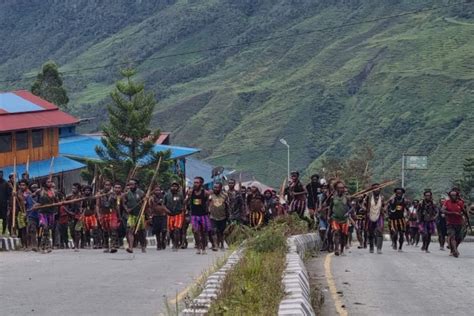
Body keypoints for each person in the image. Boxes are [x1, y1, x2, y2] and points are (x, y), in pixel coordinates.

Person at [186, 176, 211, 255]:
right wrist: (187, 199)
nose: (195, 184)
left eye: (197, 182)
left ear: (201, 183)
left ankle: (203, 248)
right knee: (196, 231)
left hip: (203, 215)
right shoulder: (191, 192)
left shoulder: (205, 193)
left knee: (203, 232)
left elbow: (209, 202)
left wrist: (208, 209)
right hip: (194, 215)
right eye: (194, 182)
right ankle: (198, 247)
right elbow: (186, 201)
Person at [123, 179, 146, 253]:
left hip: (140, 215)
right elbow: (124, 203)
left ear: (136, 185)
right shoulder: (126, 194)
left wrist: (145, 201)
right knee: (130, 231)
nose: (131, 186)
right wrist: (127, 209)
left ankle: (143, 246)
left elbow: (145, 204)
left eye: (132, 184)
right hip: (131, 215)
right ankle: (131, 247)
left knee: (141, 232)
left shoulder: (141, 193)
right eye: (129, 184)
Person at [97, 180, 120, 253]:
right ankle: (106, 245)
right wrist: (98, 215)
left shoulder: (114, 193)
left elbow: (117, 204)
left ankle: (113, 246)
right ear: (104, 185)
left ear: (111, 186)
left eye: (109, 185)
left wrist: (118, 214)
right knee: (105, 230)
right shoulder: (100, 193)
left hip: (112, 213)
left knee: (113, 229)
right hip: (103, 213)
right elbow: (97, 205)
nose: (107, 186)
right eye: (106, 185)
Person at [37, 179, 59, 253]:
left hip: (51, 212)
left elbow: (57, 201)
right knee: (45, 227)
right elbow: (31, 196)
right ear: (44, 183)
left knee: (48, 229)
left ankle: (45, 245)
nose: (50, 183)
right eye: (48, 182)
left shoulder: (53, 192)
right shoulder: (40, 191)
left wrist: (58, 202)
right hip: (42, 213)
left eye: (50, 182)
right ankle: (44, 246)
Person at [329, 181, 350, 256]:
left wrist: (349, 212)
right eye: (340, 188)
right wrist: (329, 216)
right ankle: (336, 249)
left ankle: (342, 250)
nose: (341, 189)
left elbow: (351, 207)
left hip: (344, 219)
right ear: (336, 189)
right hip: (335, 218)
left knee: (344, 235)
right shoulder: (332, 197)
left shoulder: (347, 198)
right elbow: (330, 208)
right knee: (336, 232)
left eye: (342, 188)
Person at [442, 190, 464, 258]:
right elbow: (442, 210)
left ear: (457, 196)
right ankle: (455, 250)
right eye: (452, 195)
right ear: (450, 196)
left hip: (459, 223)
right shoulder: (447, 202)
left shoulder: (460, 203)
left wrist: (463, 214)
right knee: (452, 236)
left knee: (459, 238)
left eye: (454, 195)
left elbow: (464, 211)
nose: (453, 196)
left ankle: (454, 249)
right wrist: (453, 213)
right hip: (450, 223)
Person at [164, 182, 185, 251]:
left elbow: (183, 203)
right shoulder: (167, 195)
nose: (174, 187)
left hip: (178, 215)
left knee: (177, 230)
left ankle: (176, 245)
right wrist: (166, 210)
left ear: (178, 188)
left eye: (175, 186)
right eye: (172, 186)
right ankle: (173, 242)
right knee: (171, 231)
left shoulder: (180, 195)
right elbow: (163, 205)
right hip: (170, 215)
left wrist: (182, 209)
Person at [364, 183, 385, 254]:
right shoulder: (368, 197)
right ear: (372, 190)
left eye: (378, 188)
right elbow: (364, 205)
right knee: (371, 233)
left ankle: (379, 248)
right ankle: (371, 247)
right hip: (370, 216)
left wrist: (383, 210)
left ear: (380, 189)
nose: (376, 190)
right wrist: (366, 211)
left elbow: (383, 206)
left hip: (379, 216)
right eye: (374, 188)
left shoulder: (382, 198)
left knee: (379, 231)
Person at [387, 188, 409, 252]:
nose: (399, 194)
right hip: (393, 219)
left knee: (402, 234)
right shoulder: (392, 200)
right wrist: (388, 215)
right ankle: (394, 243)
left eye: (400, 193)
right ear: (395, 193)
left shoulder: (404, 201)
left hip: (401, 219)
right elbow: (388, 208)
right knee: (395, 233)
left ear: (402, 194)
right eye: (397, 193)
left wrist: (408, 217)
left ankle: (400, 247)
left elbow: (407, 210)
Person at [208, 182, 228, 251]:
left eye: (217, 187)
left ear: (220, 188)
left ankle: (222, 245)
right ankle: (215, 245)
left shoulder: (225, 195)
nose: (215, 189)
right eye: (214, 187)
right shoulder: (210, 195)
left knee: (221, 232)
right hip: (213, 216)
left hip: (222, 217)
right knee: (214, 230)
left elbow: (228, 205)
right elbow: (207, 204)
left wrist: (228, 215)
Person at [150, 186, 168, 250]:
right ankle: (158, 243)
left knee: (164, 230)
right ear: (154, 191)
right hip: (155, 216)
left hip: (163, 215)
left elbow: (165, 205)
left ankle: (163, 240)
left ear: (160, 191)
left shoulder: (164, 197)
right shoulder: (152, 198)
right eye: (156, 190)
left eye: (158, 190)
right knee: (157, 231)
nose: (157, 191)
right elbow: (151, 206)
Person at [16, 179, 33, 249]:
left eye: (23, 185)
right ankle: (24, 245)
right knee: (22, 229)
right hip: (20, 213)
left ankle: (29, 244)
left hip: (28, 212)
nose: (22, 186)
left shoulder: (28, 193)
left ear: (26, 186)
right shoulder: (18, 192)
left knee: (28, 229)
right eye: (21, 185)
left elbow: (28, 202)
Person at [66, 183, 83, 250]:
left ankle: (76, 245)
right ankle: (74, 242)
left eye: (75, 188)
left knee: (77, 230)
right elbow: (64, 205)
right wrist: (68, 212)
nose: (73, 190)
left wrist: (81, 213)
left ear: (78, 189)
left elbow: (83, 206)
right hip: (70, 215)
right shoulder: (69, 196)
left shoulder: (81, 197)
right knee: (72, 231)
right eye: (72, 188)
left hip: (78, 215)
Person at [0, 170, 10, 235]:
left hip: (4, 204)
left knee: (4, 218)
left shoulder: (6, 183)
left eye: (1, 174)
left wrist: (9, 205)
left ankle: (3, 232)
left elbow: (8, 195)